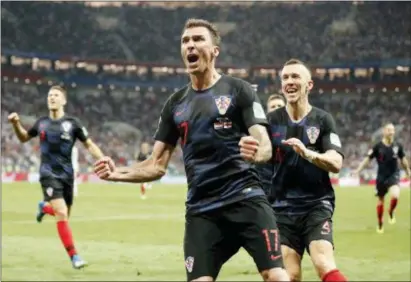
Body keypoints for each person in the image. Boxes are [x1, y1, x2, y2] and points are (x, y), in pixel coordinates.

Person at [94, 18, 289, 282]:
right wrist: (117, 173)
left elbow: (264, 142)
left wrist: (258, 152)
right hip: (202, 210)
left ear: (215, 51)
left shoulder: (238, 90)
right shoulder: (175, 105)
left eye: (198, 39)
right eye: (185, 41)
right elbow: (156, 165)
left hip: (245, 199)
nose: (190, 45)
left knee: (276, 276)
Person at [266, 59, 347, 282]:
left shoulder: (322, 120)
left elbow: (336, 162)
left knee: (323, 262)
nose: (290, 82)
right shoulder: (270, 121)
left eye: (295, 77)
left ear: (309, 85)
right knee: (288, 275)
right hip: (281, 209)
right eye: (285, 78)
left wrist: (308, 153)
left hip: (316, 204)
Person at [8, 85, 104, 269]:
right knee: (61, 213)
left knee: (64, 215)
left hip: (67, 175)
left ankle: (44, 207)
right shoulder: (41, 123)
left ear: (64, 100)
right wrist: (15, 124)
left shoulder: (73, 123)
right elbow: (23, 138)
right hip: (47, 174)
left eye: (56, 95)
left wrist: (104, 159)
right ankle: (74, 256)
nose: (51, 98)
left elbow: (89, 145)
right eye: (50, 95)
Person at [354, 123, 410, 233]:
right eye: (389, 130)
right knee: (381, 200)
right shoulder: (378, 146)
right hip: (381, 177)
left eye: (393, 130)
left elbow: (403, 159)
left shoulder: (397, 146)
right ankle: (380, 223)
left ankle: (391, 211)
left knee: (395, 195)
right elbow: (367, 160)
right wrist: (358, 170)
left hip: (394, 175)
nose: (391, 132)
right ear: (384, 131)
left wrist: (408, 170)